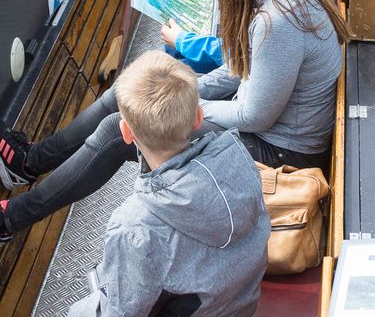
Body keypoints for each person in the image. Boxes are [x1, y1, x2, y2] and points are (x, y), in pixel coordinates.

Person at [0, 0, 345, 247]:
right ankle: (30, 161)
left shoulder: (277, 19)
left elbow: (254, 114)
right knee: (129, 90)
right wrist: (167, 93)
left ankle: (4, 221)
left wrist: (176, 107)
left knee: (118, 132)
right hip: (265, 122)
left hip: (280, 150)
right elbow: (238, 69)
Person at [65, 51, 269, 317]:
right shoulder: (240, 156)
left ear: (126, 132)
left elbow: (122, 312)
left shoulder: (134, 228)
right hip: (240, 305)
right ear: (198, 117)